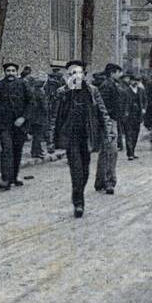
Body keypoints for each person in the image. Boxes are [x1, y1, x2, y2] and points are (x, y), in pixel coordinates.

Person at [52, 59, 113, 218]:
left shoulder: (92, 91)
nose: (76, 76)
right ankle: (78, 203)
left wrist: (108, 132)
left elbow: (103, 112)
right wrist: (51, 138)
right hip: (70, 137)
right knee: (77, 171)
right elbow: (54, 116)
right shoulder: (62, 92)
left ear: (84, 75)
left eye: (79, 73)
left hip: (87, 137)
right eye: (72, 73)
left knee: (85, 171)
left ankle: (79, 194)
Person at [0, 62, 31, 190]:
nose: (10, 73)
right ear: (4, 72)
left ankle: (14, 177)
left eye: (13, 71)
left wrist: (23, 118)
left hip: (20, 125)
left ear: (16, 72)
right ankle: (5, 179)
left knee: (17, 151)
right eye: (8, 71)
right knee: (6, 150)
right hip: (4, 124)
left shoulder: (23, 85)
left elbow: (31, 103)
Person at [95, 64, 126, 194]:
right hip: (109, 122)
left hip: (111, 121)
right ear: (113, 73)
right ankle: (109, 182)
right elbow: (103, 107)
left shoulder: (110, 84)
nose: (120, 75)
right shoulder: (107, 86)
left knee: (105, 151)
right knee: (111, 152)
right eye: (119, 72)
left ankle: (100, 181)